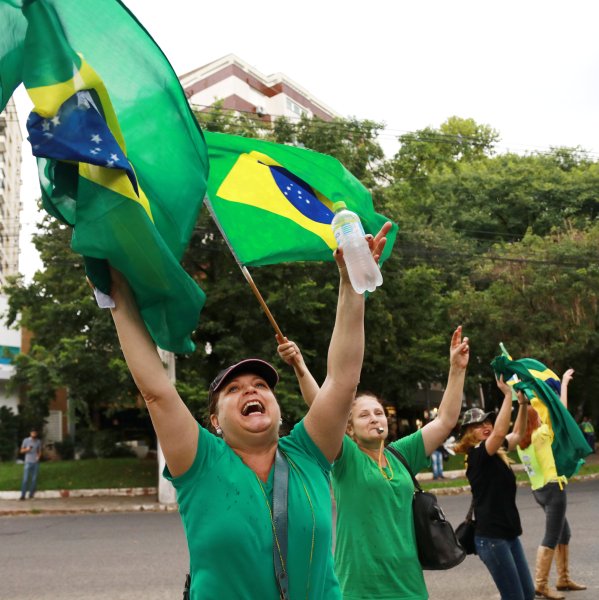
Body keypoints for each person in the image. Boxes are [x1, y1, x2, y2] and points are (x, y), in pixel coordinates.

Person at [108, 223, 391, 600]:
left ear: (276, 407)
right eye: (234, 389)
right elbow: (156, 392)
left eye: (261, 386)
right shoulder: (200, 461)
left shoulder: (308, 452)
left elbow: (342, 381)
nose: (251, 391)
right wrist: (116, 289)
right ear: (214, 422)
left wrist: (352, 284)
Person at [278, 326, 470, 599]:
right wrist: (299, 365)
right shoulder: (348, 457)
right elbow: (324, 407)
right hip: (360, 589)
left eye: (378, 413)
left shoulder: (401, 454)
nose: (374, 418)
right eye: (364, 415)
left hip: (409, 586)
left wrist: (457, 368)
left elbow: (445, 420)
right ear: (349, 429)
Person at [454, 378, 534, 600]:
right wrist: (507, 395)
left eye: (488, 421)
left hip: (509, 535)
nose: (486, 426)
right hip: (491, 538)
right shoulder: (477, 455)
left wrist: (523, 405)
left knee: (527, 594)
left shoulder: (496, 451)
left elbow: (517, 434)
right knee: (515, 597)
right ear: (468, 432)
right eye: (479, 424)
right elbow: (500, 433)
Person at [517, 367, 586, 598]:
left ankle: (563, 579)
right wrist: (564, 384)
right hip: (554, 489)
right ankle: (541, 583)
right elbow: (561, 413)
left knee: (563, 533)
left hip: (538, 490)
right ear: (535, 419)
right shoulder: (542, 435)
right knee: (551, 535)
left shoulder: (521, 442)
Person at [19, 428, 42, 500]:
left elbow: (39, 451)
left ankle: (31, 495)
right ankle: (23, 495)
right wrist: (27, 449)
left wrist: (38, 456)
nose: (34, 434)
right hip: (28, 462)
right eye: (32, 433)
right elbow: (21, 451)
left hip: (35, 463)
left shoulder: (38, 441)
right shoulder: (26, 440)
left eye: (35, 433)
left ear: (36, 434)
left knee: (34, 479)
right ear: (30, 433)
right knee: (25, 479)